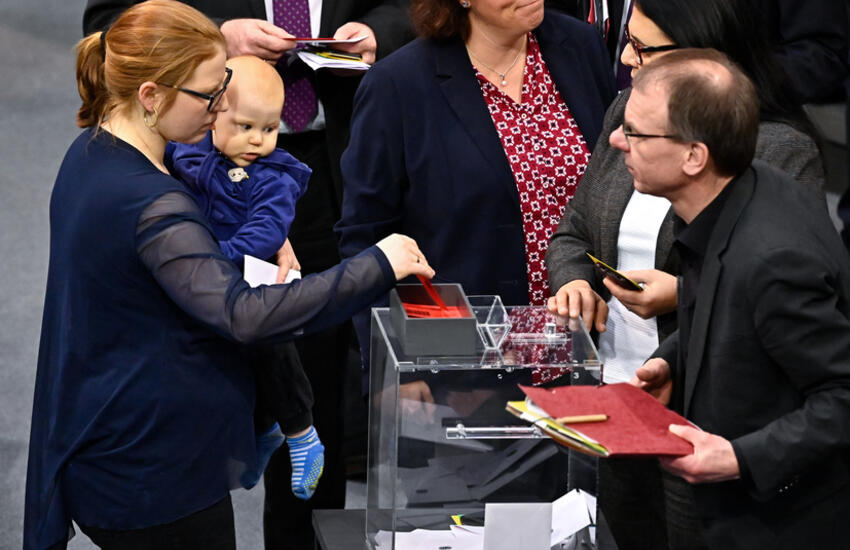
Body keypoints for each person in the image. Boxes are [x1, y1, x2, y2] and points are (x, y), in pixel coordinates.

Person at [24, 2, 433, 549]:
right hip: (154, 474)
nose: (220, 111)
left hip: (113, 438)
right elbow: (243, 313)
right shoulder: (155, 205)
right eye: (210, 95)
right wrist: (377, 264)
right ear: (151, 95)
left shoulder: (94, 151)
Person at [544, 0, 825, 547]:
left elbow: (782, 291)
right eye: (628, 41)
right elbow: (573, 229)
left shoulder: (781, 151)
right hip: (617, 395)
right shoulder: (630, 112)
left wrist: (688, 295)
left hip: (704, 425)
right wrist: (574, 280)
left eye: (644, 49)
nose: (625, 60)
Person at [625, 47, 850, 549]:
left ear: (693, 156)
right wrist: (674, 361)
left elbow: (842, 397)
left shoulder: (774, 261)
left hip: (785, 525)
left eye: (636, 132)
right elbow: (727, 307)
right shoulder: (739, 191)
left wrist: (738, 458)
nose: (619, 141)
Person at [336, 0, 616, 385]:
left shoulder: (578, 45)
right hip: (462, 370)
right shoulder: (398, 84)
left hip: (589, 349)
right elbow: (365, 238)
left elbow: (613, 181)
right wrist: (399, 370)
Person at [165, 54, 323, 499]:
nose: (257, 140)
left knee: (271, 350)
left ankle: (301, 433)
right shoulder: (192, 151)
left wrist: (218, 257)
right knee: (230, 363)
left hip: (249, 277)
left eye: (269, 129)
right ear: (215, 115)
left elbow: (267, 231)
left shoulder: (275, 176)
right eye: (245, 126)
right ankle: (262, 431)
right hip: (207, 278)